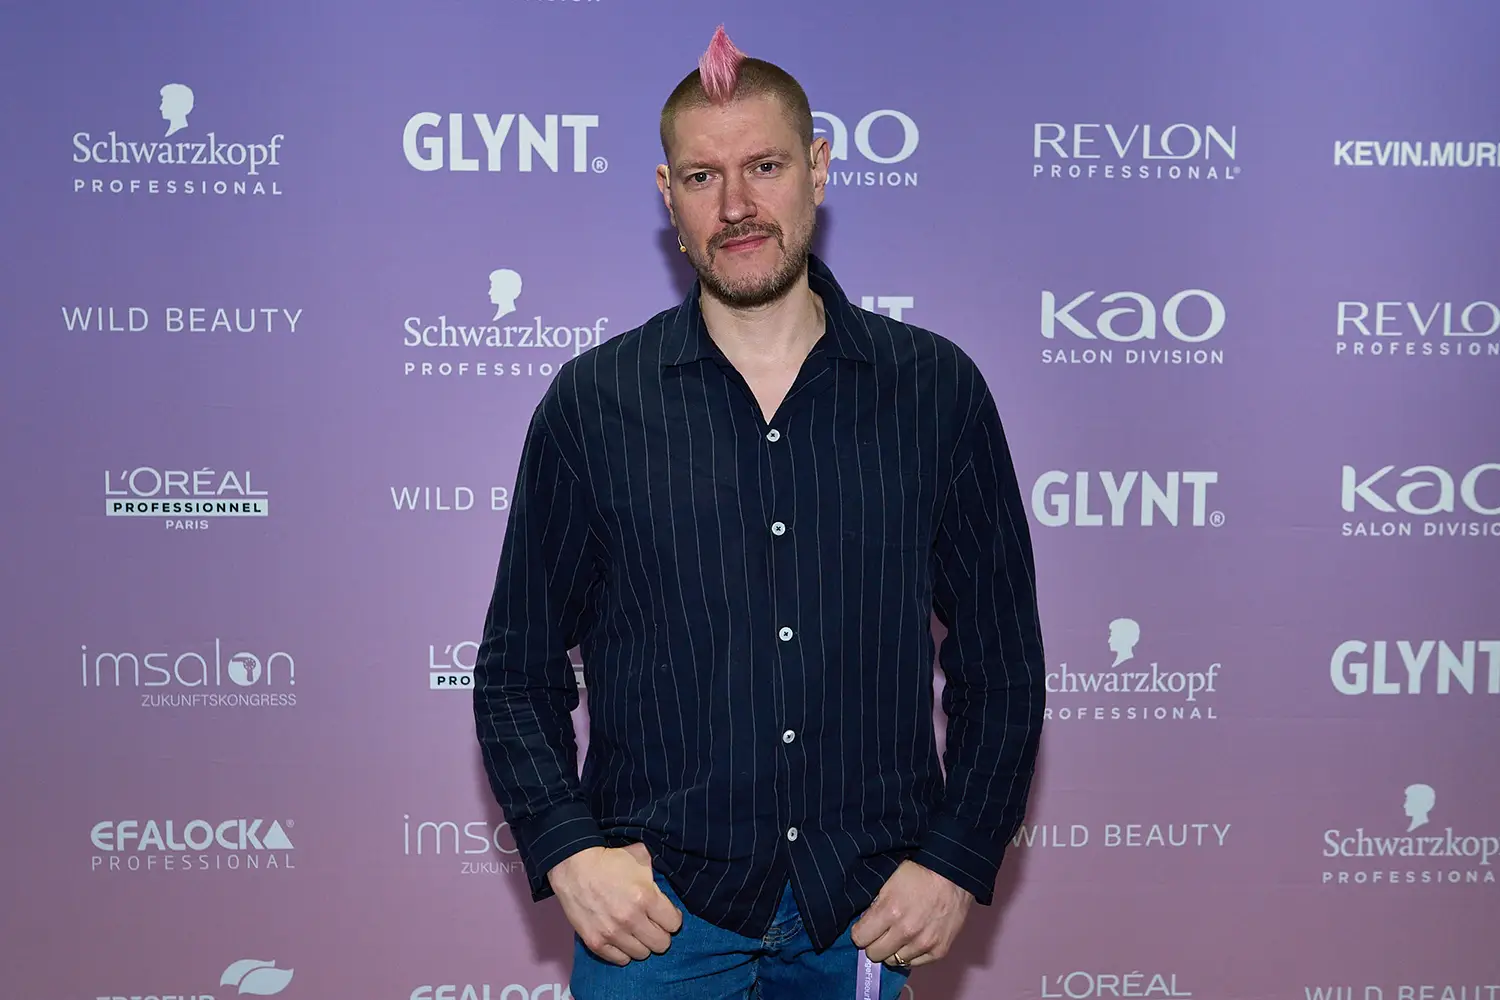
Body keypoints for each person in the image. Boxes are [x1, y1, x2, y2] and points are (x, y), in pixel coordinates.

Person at [473, 25, 1046, 1000]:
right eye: (703, 177)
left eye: (765, 167)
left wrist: (955, 859)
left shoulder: (933, 391)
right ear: (668, 196)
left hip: (861, 910)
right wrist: (567, 849)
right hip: (658, 921)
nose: (736, 205)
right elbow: (514, 667)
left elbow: (1003, 661)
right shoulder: (594, 403)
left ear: (818, 168)